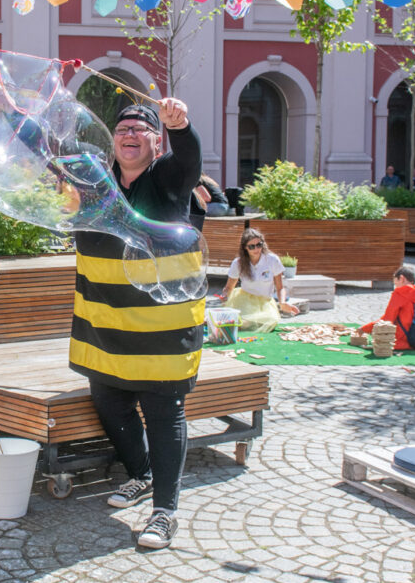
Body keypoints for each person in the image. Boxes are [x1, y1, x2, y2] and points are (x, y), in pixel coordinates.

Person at [71, 100, 201, 550]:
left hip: (161, 327)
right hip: (106, 322)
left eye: (140, 129)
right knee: (108, 400)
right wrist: (6, 107)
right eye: (122, 127)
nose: (128, 133)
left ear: (155, 141)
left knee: (164, 412)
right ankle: (140, 474)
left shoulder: (168, 178)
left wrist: (180, 126)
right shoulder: (94, 184)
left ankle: (165, 512)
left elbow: (189, 158)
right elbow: (42, 156)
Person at [216, 228, 300, 332]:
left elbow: (280, 287)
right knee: (244, 322)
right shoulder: (238, 263)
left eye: (259, 245)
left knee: (270, 321)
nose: (256, 249)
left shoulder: (272, 260)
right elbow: (229, 287)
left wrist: (282, 303)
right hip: (245, 300)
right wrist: (224, 297)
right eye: (252, 246)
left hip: (266, 302)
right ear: (245, 248)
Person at [358, 265, 415, 350]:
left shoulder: (400, 293)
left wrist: (364, 329)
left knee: (381, 340)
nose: (396, 287)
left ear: (402, 279)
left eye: (395, 283)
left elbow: (387, 321)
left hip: (403, 339)